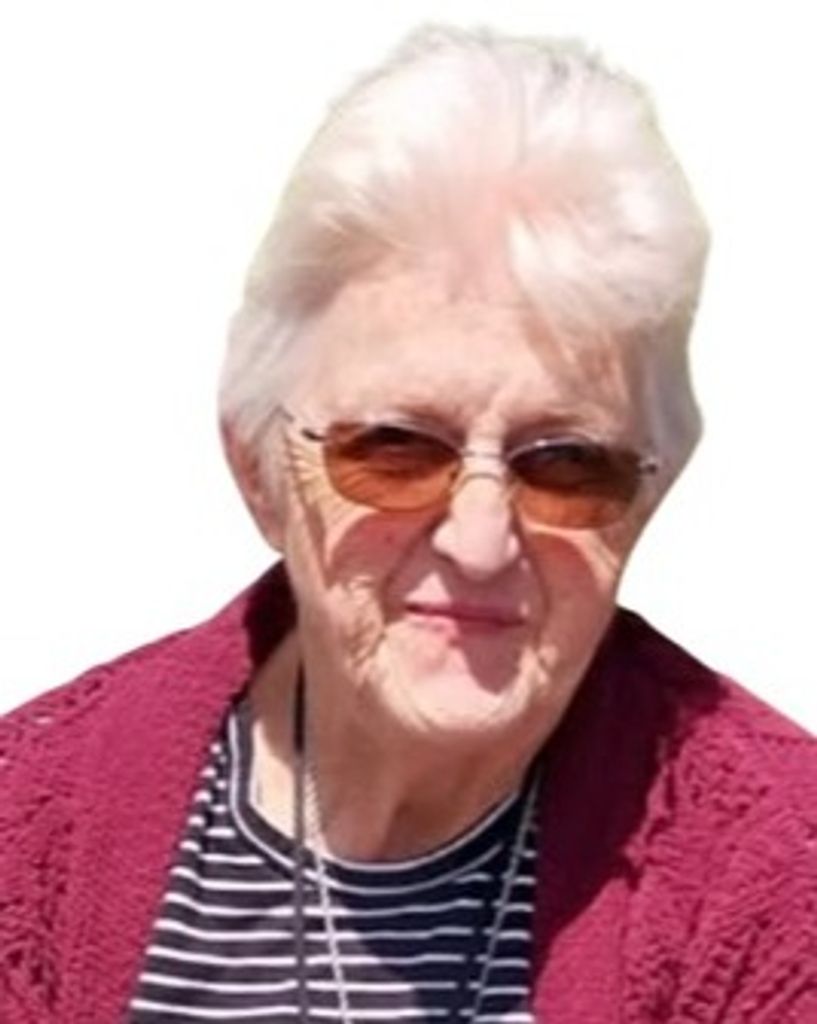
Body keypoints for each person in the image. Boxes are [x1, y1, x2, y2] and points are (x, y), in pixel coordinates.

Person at [1, 24, 815, 1024]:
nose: (480, 539)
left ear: (646, 496)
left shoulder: (779, 881)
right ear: (259, 467)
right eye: (395, 448)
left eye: (565, 463)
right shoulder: (28, 830)